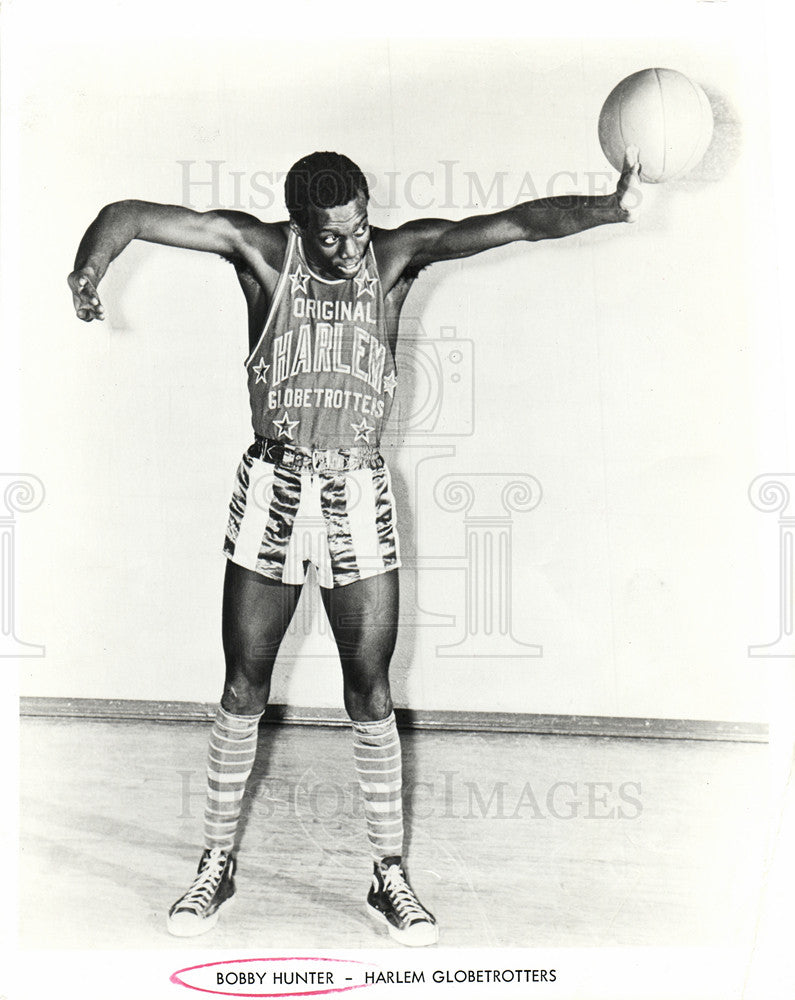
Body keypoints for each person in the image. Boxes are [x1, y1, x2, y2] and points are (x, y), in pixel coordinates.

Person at [68, 148, 641, 947]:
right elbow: (128, 214)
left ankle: (387, 875)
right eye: (329, 236)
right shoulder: (263, 254)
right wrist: (88, 270)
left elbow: (512, 223)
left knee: (368, 691)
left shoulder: (394, 257)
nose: (347, 247)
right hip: (272, 486)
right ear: (297, 224)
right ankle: (214, 863)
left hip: (359, 491)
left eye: (356, 227)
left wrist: (609, 207)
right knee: (242, 685)